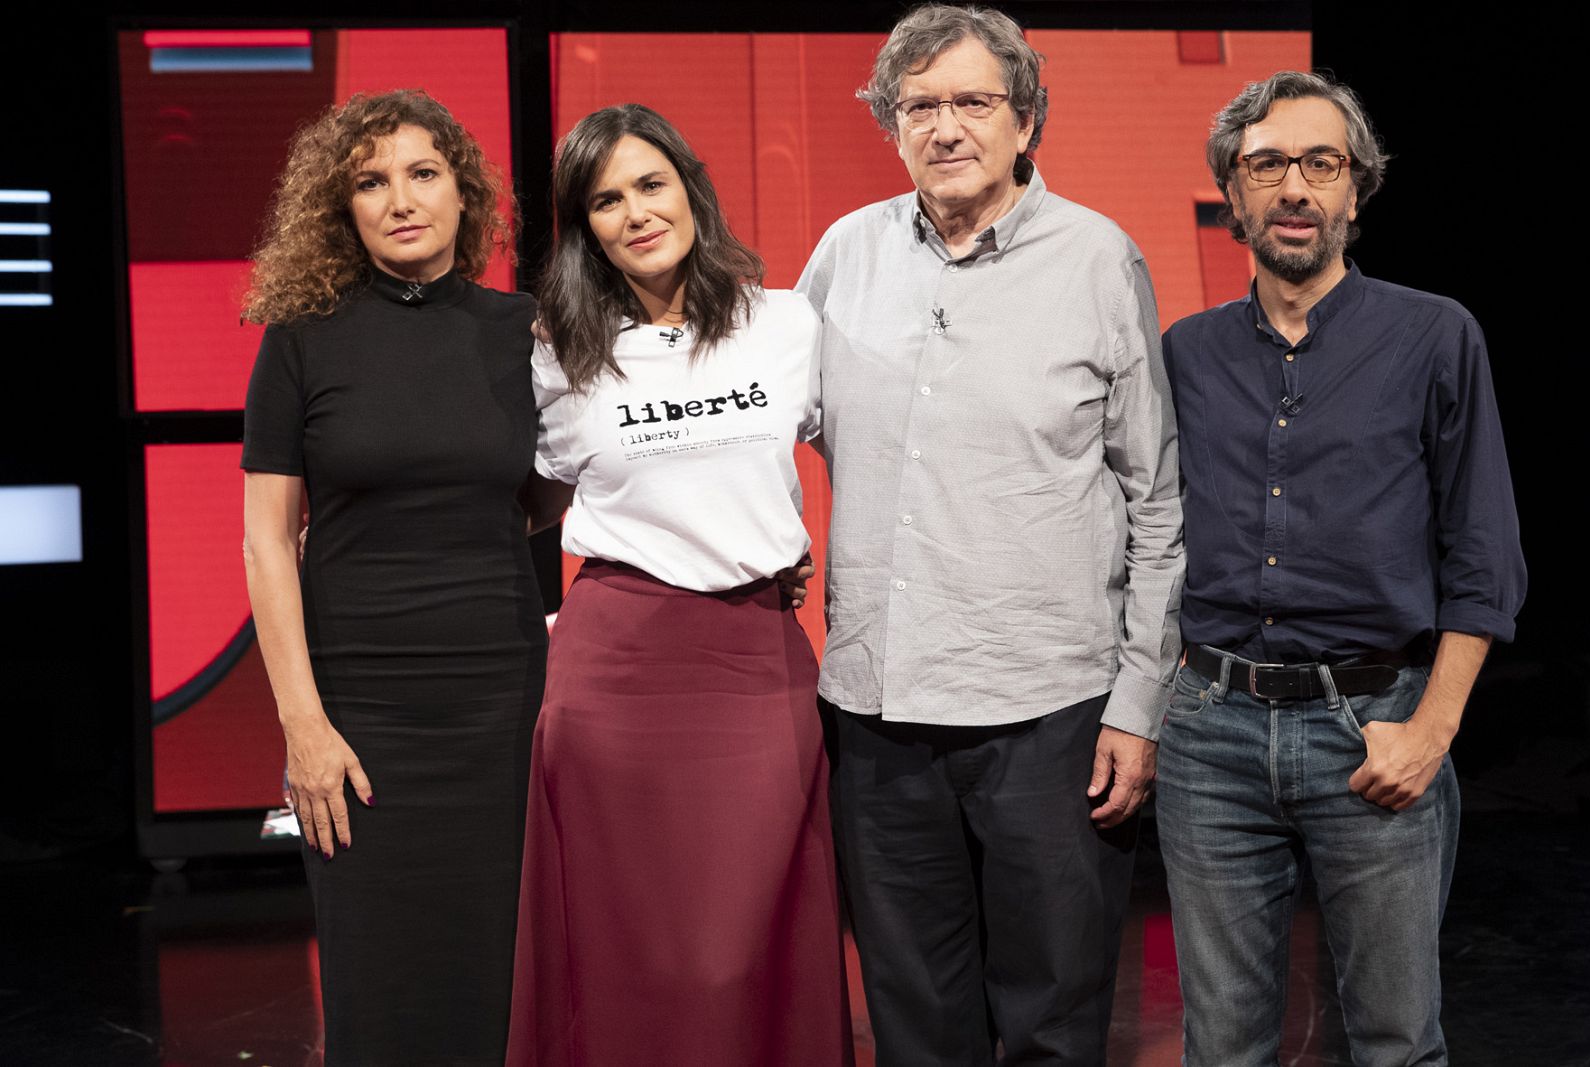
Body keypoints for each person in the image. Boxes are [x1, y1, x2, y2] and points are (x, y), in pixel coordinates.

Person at [796, 5, 1184, 1063]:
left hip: (1050, 716)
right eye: (918, 105)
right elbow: (761, 424)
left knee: (1052, 1028)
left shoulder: (1097, 258)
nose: (945, 126)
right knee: (916, 1026)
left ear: (1025, 121)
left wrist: (1139, 704)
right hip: (878, 712)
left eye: (973, 101)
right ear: (890, 124)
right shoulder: (844, 256)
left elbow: (1156, 499)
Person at [1157, 70, 1526, 1064]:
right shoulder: (1183, 353)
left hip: (1374, 724)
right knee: (1222, 1045)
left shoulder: (1433, 333)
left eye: (1320, 164)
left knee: (1395, 1042)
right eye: (1266, 164)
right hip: (1209, 732)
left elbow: (1484, 550)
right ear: (1229, 194)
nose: (1293, 187)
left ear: (1353, 192)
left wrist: (1431, 730)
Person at [503, 103, 851, 1066]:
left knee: (733, 954)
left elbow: (873, 458)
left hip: (754, 662)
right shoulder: (560, 354)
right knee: (632, 955)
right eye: (605, 200)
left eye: (650, 185)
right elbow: (517, 498)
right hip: (616, 670)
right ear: (585, 229)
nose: (634, 213)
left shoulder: (784, 324)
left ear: (690, 188)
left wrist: (791, 544)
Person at [240, 90, 547, 1064]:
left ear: (467, 195)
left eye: (422, 173)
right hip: (360, 719)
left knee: (506, 982)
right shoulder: (300, 336)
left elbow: (571, 490)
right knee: (379, 997)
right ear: (342, 206)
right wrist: (302, 724)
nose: (399, 198)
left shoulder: (526, 331)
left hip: (505, 707)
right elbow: (264, 541)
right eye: (370, 180)